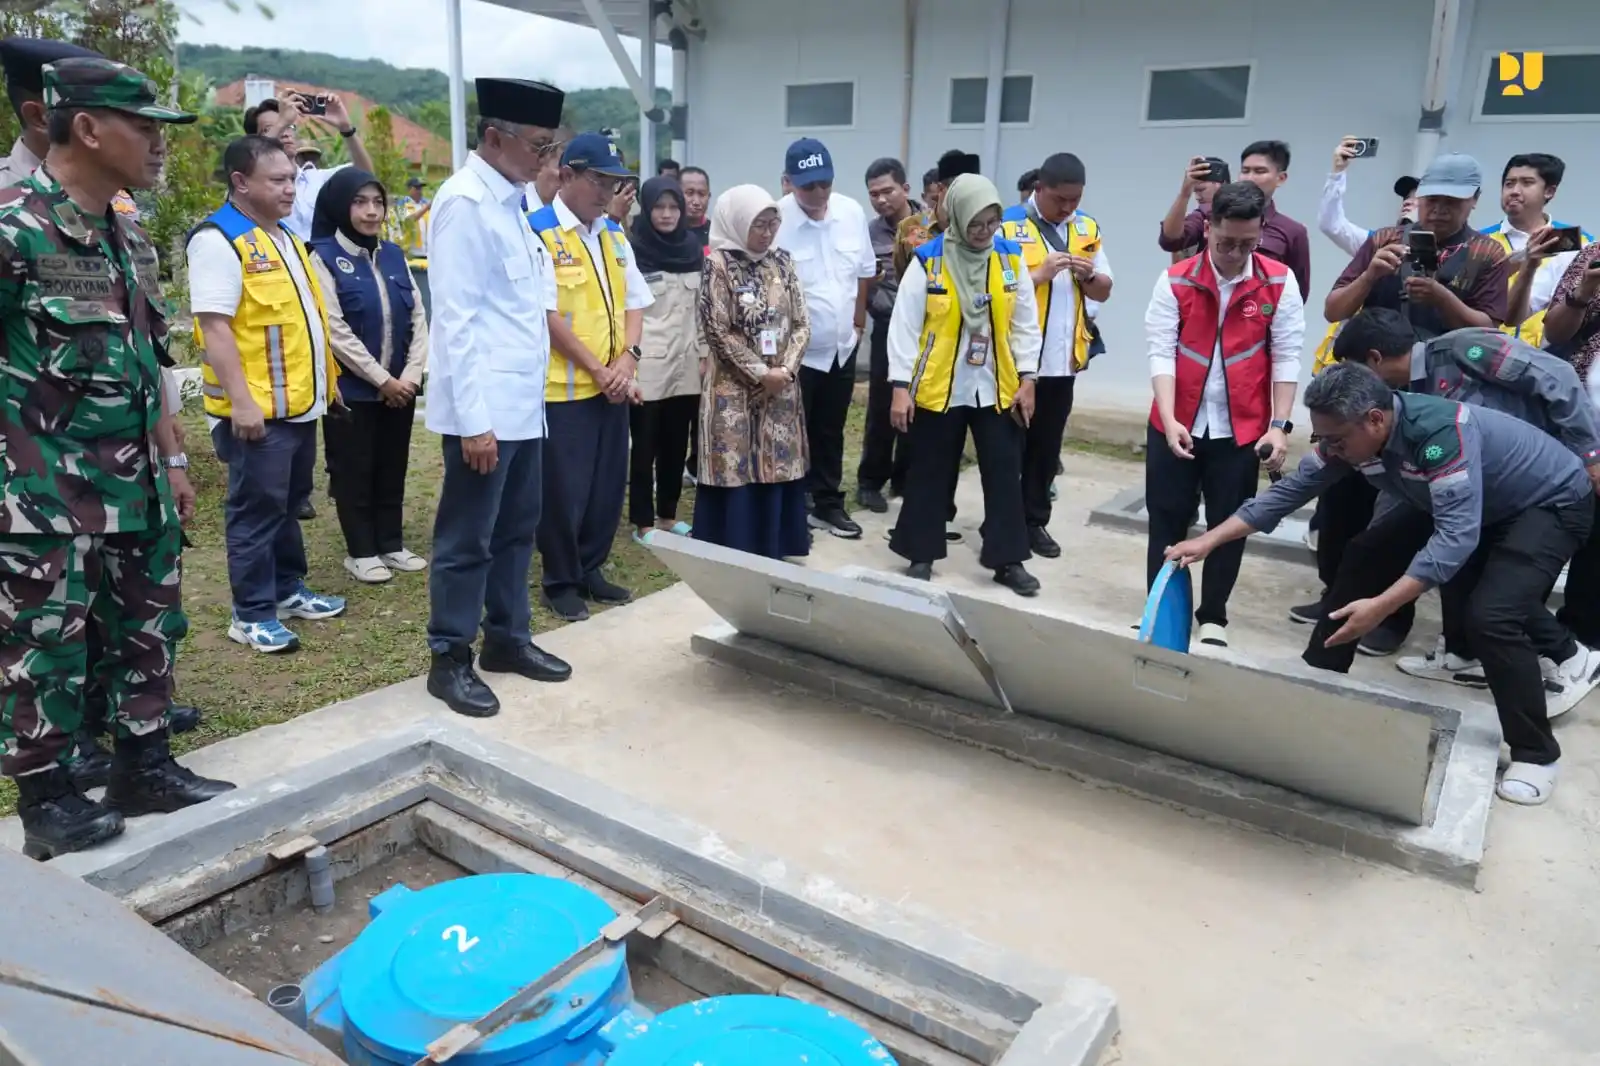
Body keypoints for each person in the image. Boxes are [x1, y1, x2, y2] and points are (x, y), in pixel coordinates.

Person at [1168, 362, 1596, 807]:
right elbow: (1287, 492)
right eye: (1323, 439)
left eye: (1336, 440)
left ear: (1375, 419)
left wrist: (1382, 607)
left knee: (1493, 616)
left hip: (1549, 501)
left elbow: (1454, 539)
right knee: (1366, 554)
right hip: (1481, 497)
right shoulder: (1348, 436)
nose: (1329, 449)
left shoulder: (1440, 436)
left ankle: (1536, 754)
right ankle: (1319, 678)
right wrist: (1207, 541)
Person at [1, 56, 235, 860]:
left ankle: (145, 763)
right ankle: (49, 796)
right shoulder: (14, 225)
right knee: (46, 644)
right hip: (43, 488)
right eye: (144, 127)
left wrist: (172, 461)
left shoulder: (128, 231)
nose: (158, 143)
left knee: (147, 626)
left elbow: (148, 357)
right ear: (89, 129)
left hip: (136, 481)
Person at [1326, 309, 1600, 714]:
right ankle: (1461, 653)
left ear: (1374, 360)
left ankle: (1570, 658)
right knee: (1448, 556)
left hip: (1539, 479)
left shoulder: (1463, 348)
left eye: (1353, 371)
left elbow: (1556, 378)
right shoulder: (1400, 402)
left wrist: (1590, 455)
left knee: (1501, 592)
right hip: (1482, 491)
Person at [1308, 153, 1510, 653]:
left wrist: (1441, 297)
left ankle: (1391, 619)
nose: (1436, 211)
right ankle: (1336, 596)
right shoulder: (1383, 241)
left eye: (1450, 202)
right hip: (1359, 393)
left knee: (1402, 513)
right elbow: (1334, 308)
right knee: (1340, 502)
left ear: (1473, 202)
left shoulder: (1489, 254)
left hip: (1433, 403)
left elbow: (1492, 331)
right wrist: (1369, 274)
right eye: (1430, 199)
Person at [424, 78, 573, 719]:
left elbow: (520, 308)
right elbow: (454, 321)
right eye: (539, 146)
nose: (546, 161)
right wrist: (475, 424)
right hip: (484, 413)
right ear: (494, 137)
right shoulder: (463, 203)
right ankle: (449, 656)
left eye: (551, 147)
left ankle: (507, 640)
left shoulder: (512, 201)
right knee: (467, 540)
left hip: (523, 407)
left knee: (517, 532)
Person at [189, 136, 347, 653]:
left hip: (300, 405)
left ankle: (286, 589)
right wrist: (241, 402)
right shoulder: (219, 239)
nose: (289, 189)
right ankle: (251, 612)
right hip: (257, 412)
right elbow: (214, 329)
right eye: (277, 180)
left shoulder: (281, 237)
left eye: (292, 180)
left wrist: (328, 385)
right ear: (240, 182)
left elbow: (302, 322)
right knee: (255, 512)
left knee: (287, 505)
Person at [1144, 181, 1306, 648]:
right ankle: (1162, 610)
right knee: (1167, 521)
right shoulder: (1176, 279)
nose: (1235, 253)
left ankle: (1213, 614)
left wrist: (1279, 426)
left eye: (1247, 243)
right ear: (1208, 228)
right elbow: (1161, 353)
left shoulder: (1278, 280)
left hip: (1242, 430)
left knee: (1228, 525)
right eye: (1225, 242)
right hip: (1176, 424)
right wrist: (1171, 419)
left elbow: (1286, 355)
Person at [887, 173, 1041, 595]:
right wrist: (901, 387)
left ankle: (1008, 560)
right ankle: (922, 552)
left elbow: (1026, 325)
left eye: (992, 222)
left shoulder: (1010, 260)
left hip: (997, 386)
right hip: (940, 385)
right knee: (931, 470)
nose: (984, 232)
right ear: (955, 217)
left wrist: (1029, 378)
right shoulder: (929, 260)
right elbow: (903, 327)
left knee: (1005, 472)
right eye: (976, 223)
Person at [529, 132, 651, 623]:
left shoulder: (612, 234)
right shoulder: (538, 231)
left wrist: (629, 359)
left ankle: (591, 568)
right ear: (567, 175)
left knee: (605, 487)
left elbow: (635, 301)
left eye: (615, 182)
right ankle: (560, 580)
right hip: (565, 390)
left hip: (613, 387)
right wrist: (600, 368)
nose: (607, 192)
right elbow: (546, 314)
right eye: (598, 180)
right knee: (563, 493)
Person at [307, 168, 430, 584]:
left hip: (401, 388)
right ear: (341, 206)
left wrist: (410, 376)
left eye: (377, 202)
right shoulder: (321, 256)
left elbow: (417, 315)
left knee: (392, 464)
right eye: (360, 202)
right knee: (354, 469)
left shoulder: (394, 255)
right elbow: (334, 329)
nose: (371, 211)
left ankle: (391, 543)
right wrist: (382, 379)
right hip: (354, 391)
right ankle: (361, 551)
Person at [1000, 152, 1113, 558]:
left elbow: (1104, 289)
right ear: (1039, 189)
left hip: (1062, 362)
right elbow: (996, 288)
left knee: (1046, 449)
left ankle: (1034, 523)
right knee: (1008, 450)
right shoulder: (1008, 224)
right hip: (1014, 362)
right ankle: (1001, 524)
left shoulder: (1086, 227)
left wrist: (1089, 276)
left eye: (1075, 199)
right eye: (1060, 199)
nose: (1068, 208)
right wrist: (1039, 274)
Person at [693, 185, 811, 559]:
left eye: (772, 223)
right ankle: (734, 547)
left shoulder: (783, 262)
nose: (766, 232)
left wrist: (787, 369)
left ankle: (775, 544)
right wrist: (760, 371)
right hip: (733, 387)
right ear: (739, 221)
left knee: (777, 462)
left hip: (782, 388)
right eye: (758, 224)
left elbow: (802, 324)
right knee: (735, 463)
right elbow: (717, 329)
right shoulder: (718, 264)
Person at [777, 137, 876, 540]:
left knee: (830, 428)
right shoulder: (776, 220)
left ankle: (828, 502)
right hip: (796, 354)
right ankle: (793, 505)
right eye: (807, 186)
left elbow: (864, 272)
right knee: (791, 429)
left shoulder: (851, 211)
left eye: (824, 184)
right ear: (788, 182)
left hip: (841, 347)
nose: (818, 194)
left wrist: (857, 324)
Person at [628, 176, 703, 542]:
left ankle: (668, 516)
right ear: (647, 207)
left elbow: (701, 310)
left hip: (686, 365)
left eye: (674, 207)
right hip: (648, 366)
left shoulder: (692, 248)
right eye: (659, 206)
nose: (667, 214)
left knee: (676, 445)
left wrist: (704, 355)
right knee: (645, 447)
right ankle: (642, 522)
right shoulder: (632, 249)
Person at [858, 156, 919, 512]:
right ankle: (870, 482)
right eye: (874, 194)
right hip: (887, 328)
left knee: (919, 406)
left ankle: (905, 478)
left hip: (926, 333)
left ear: (905, 189)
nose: (881, 200)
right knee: (882, 406)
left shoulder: (927, 224)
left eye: (887, 191)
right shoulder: (869, 232)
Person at [1486, 154, 1592, 342]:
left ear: (1549, 191)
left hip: (1549, 359)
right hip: (1485, 352)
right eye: (1509, 184)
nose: (1514, 191)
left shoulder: (1580, 245)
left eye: (1527, 183)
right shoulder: (1481, 241)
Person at [242, 92, 375, 240]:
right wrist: (282, 122)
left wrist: (346, 129)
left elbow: (364, 176)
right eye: (269, 129)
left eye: (289, 126)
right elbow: (249, 163)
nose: (285, 133)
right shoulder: (251, 188)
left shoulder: (318, 179)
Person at [1158, 155, 1229, 265]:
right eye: (1195, 191)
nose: (1197, 197)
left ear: (1222, 184)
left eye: (1201, 190)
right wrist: (1184, 194)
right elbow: (1170, 240)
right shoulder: (1200, 217)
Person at [681, 165, 711, 250]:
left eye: (702, 194)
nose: (696, 201)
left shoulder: (717, 235)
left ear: (709, 197)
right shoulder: (666, 232)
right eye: (689, 193)